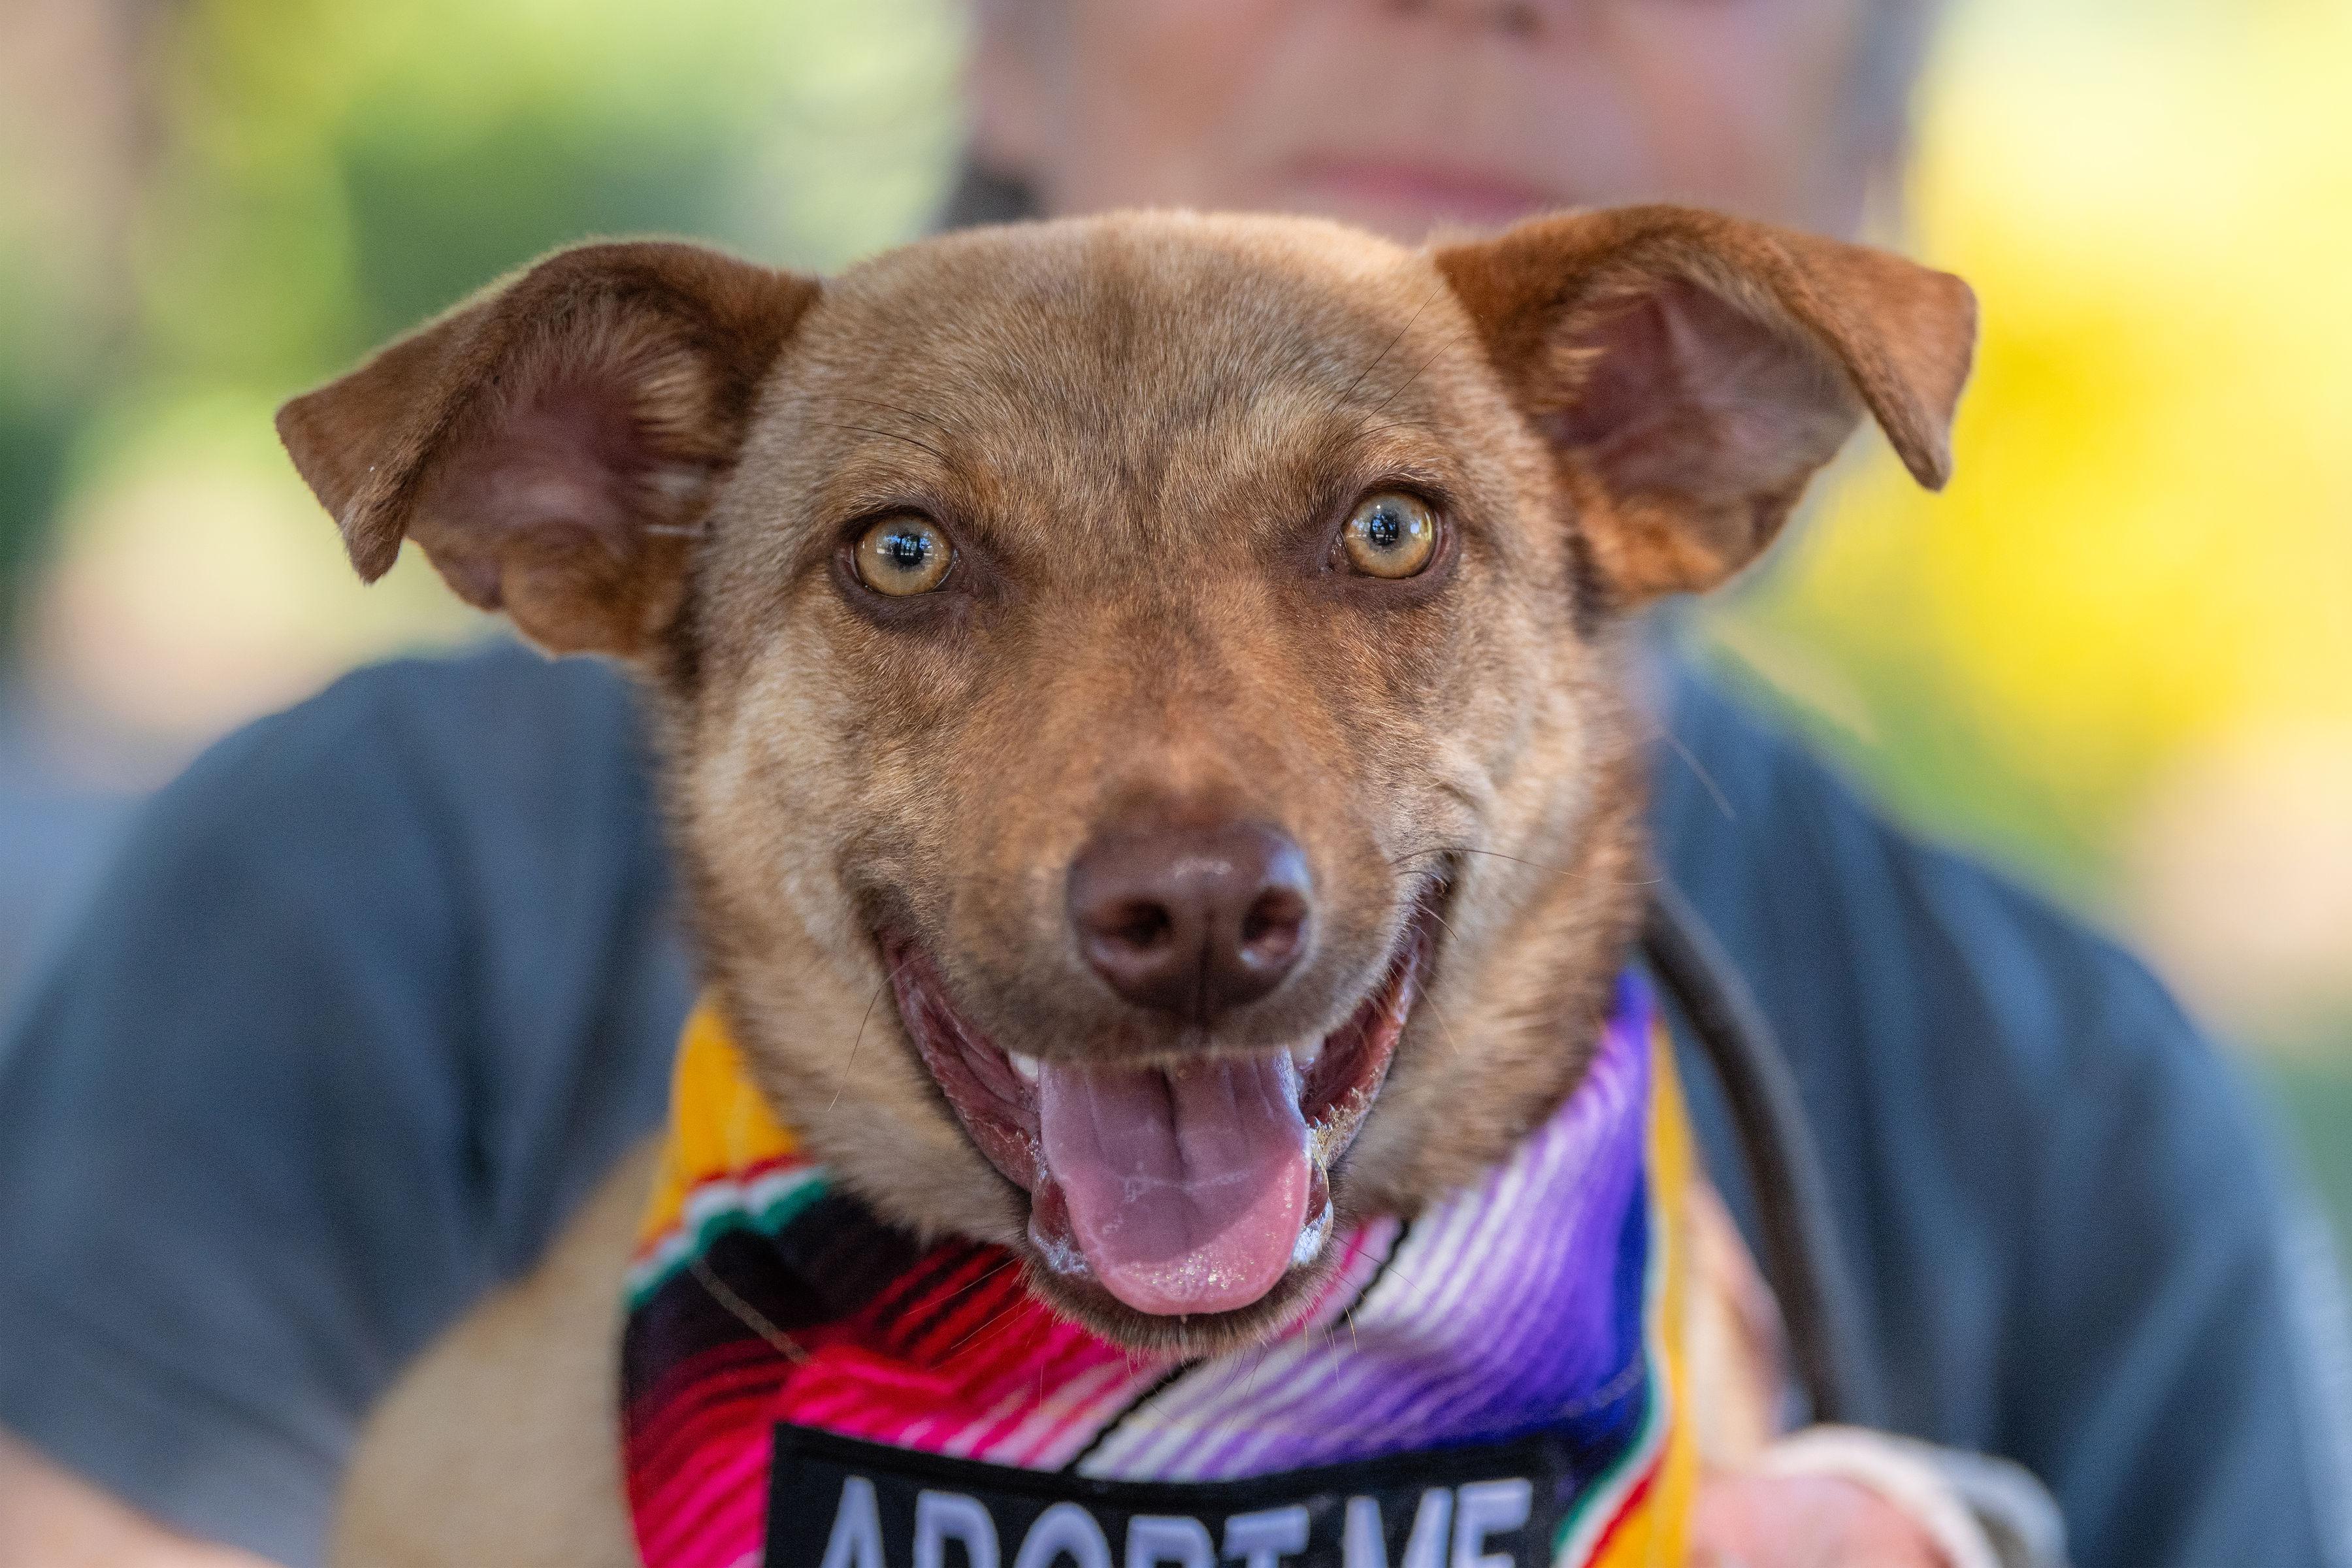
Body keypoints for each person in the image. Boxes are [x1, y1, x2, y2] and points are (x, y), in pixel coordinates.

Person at [3, 3, 2347, 1565]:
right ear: (1000, 36)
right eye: (911, 558)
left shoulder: (2075, 1109)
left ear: (1870, 143)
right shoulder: (366, 878)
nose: (1189, 855)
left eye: (1384, 534)